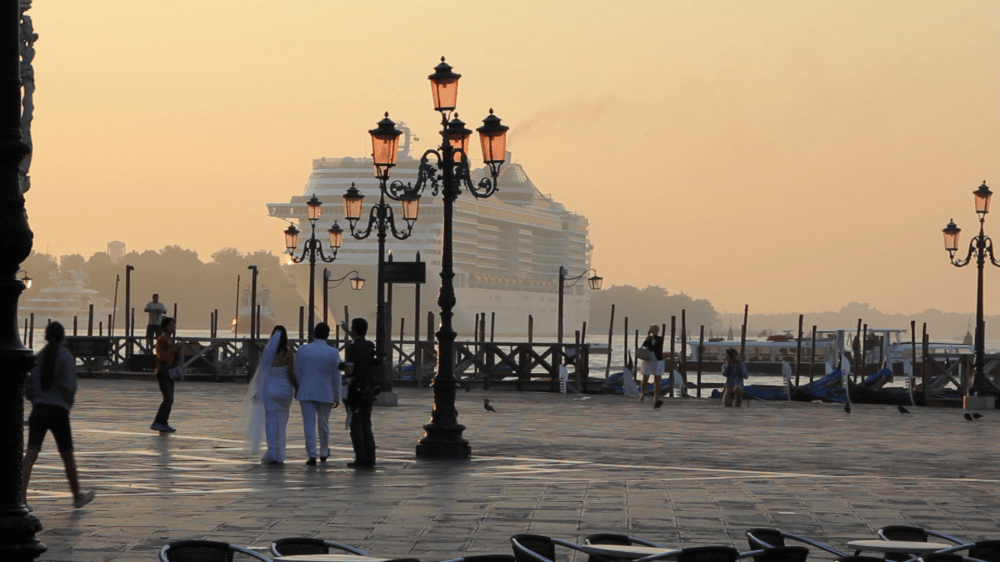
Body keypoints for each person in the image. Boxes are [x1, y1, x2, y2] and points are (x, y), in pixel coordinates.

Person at [22, 321, 95, 511]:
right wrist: (65, 405)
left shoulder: (38, 357)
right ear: (63, 336)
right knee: (67, 455)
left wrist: (37, 400)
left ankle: (21, 497)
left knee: (30, 454)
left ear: (45, 336)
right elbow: (69, 386)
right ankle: (77, 496)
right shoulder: (65, 356)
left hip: (38, 410)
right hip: (58, 411)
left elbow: (27, 387)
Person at [244, 326, 298, 464]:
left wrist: (258, 392)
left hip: (269, 391)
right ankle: (281, 453)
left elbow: (261, 374)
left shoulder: (268, 353)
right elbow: (291, 374)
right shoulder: (289, 354)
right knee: (282, 422)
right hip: (285, 392)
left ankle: (272, 451)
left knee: (270, 422)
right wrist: (297, 388)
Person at [294, 322, 341, 465]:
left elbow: (297, 372)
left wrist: (298, 389)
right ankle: (324, 451)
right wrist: (337, 395)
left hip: (306, 391)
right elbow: (336, 376)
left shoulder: (302, 350)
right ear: (327, 335)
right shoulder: (333, 352)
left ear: (314, 333)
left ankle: (311, 454)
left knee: (308, 424)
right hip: (326, 392)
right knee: (324, 423)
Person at [343, 317, 377, 468]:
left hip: (355, 389)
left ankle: (360, 457)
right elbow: (359, 341)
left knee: (355, 424)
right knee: (366, 423)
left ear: (354, 330)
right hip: (368, 390)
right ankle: (371, 456)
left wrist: (342, 368)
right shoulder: (370, 346)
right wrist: (347, 331)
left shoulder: (350, 348)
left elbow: (349, 369)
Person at [151, 316, 181, 432]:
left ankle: (164, 422)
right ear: (165, 327)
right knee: (167, 398)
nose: (173, 327)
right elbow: (163, 356)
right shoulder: (161, 340)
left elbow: (174, 357)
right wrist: (174, 348)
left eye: (174, 325)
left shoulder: (172, 340)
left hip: (170, 372)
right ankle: (157, 422)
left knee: (170, 399)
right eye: (170, 325)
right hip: (163, 372)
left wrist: (178, 349)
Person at [638, 325, 664, 403]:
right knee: (645, 378)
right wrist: (648, 336)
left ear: (658, 330)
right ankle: (642, 394)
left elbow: (656, 347)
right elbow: (645, 345)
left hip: (657, 359)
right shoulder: (648, 338)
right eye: (653, 329)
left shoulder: (660, 338)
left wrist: (650, 338)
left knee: (657, 378)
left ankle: (656, 395)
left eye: (656, 329)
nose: (655, 330)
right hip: (648, 360)